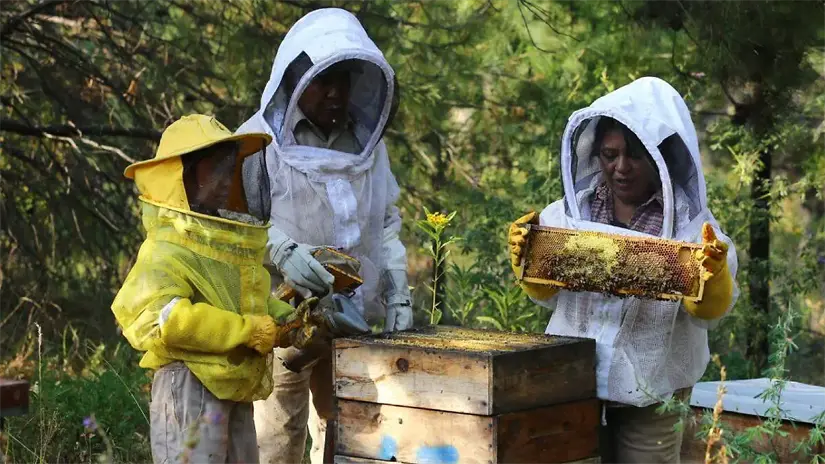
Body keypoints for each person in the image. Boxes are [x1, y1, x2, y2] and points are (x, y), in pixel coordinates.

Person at [508, 77, 738, 464]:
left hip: (653, 389)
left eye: (634, 155)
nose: (621, 167)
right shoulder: (568, 213)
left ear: (660, 158)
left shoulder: (691, 228)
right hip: (572, 380)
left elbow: (708, 316)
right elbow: (548, 297)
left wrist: (711, 282)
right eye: (609, 155)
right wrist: (529, 264)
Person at [236, 8, 412, 464]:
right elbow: (230, 219)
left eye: (345, 82)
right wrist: (280, 249)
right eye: (323, 83)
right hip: (278, 320)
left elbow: (386, 222)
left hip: (353, 318)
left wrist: (397, 294)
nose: (336, 95)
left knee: (352, 437)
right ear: (296, 81)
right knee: (276, 438)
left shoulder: (367, 143)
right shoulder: (257, 140)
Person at [111, 114, 327, 463]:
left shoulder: (223, 243)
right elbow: (164, 320)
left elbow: (246, 300)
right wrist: (247, 331)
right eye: (217, 169)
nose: (228, 180)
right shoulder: (166, 249)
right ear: (184, 175)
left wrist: (289, 322)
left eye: (231, 170)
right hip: (190, 384)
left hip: (234, 384)